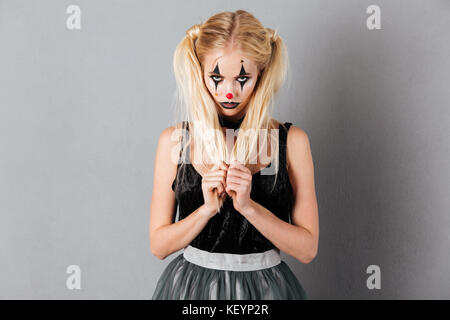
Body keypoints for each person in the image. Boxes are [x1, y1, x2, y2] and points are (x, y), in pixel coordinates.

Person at [149, 10, 319, 299]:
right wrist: (205, 210)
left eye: (243, 79)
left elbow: (307, 249)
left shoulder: (291, 142)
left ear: (261, 75)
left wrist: (249, 207)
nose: (228, 92)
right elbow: (159, 246)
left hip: (266, 292)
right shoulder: (175, 141)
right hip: (194, 293)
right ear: (200, 72)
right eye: (216, 77)